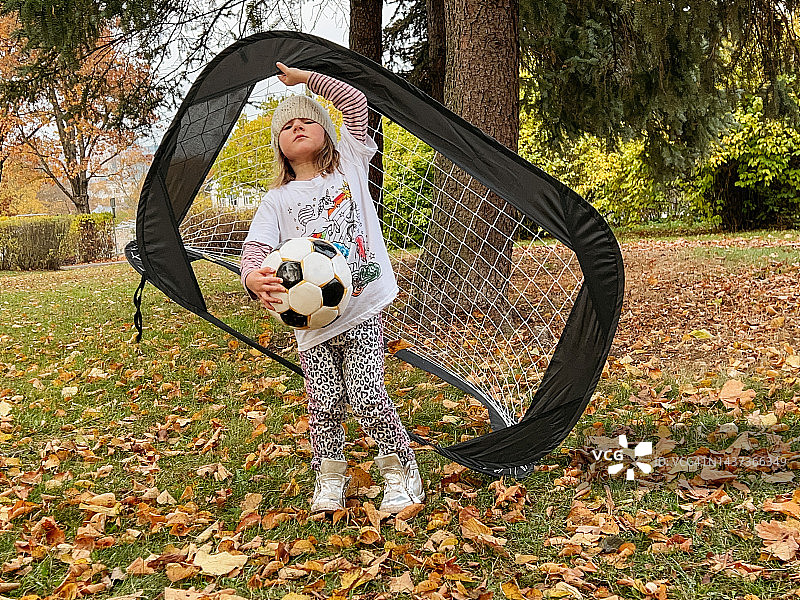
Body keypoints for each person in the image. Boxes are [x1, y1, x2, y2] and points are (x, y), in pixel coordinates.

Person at [240, 62, 425, 514]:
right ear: (278, 146)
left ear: (325, 131)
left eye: (308, 120)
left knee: (366, 393)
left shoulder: (349, 164)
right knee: (323, 403)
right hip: (310, 320)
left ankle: (401, 470)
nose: (297, 126)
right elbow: (255, 248)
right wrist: (251, 277)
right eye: (287, 124)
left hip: (361, 302)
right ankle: (330, 476)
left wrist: (305, 80)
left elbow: (355, 103)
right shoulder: (276, 199)